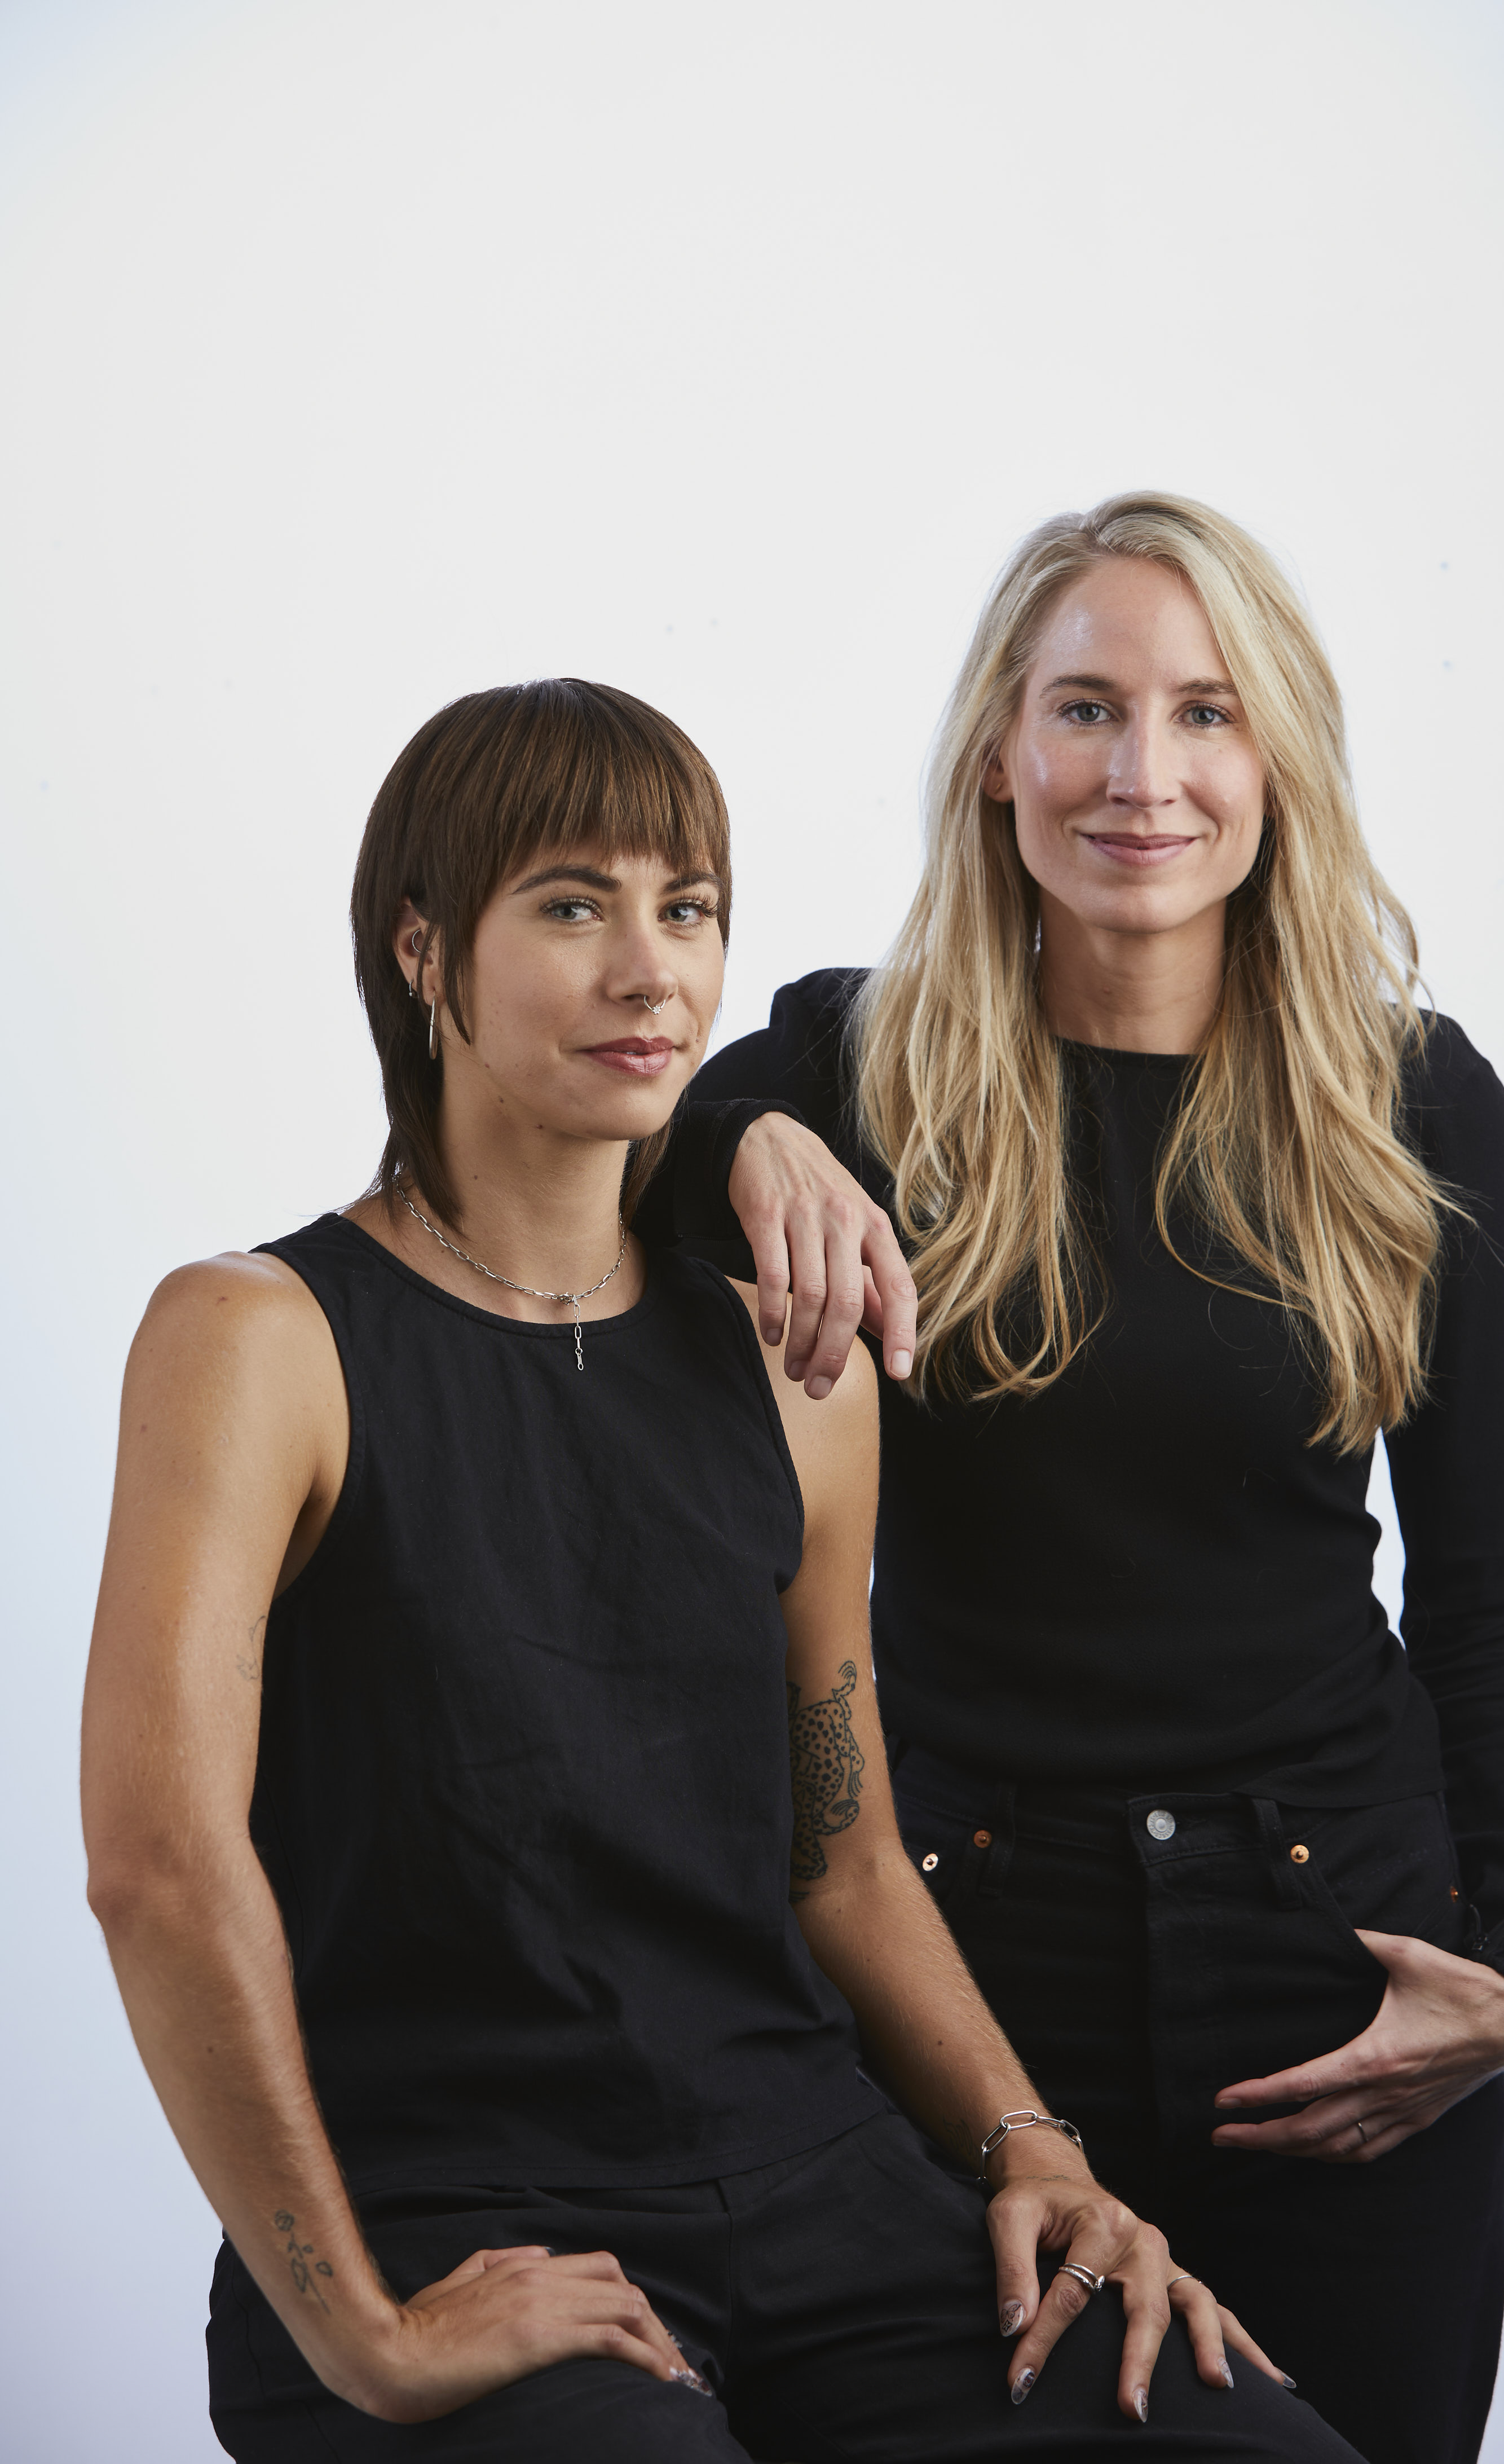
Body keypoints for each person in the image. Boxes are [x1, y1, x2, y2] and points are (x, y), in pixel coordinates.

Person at [80, 679, 1361, 2464]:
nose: (649, 972)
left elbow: (845, 1861)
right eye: (571, 906)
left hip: (828, 2191)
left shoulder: (794, 1374)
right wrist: (360, 2328)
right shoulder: (258, 1339)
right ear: (424, 952)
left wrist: (1038, 2154)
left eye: (685, 910)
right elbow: (159, 1870)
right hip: (464, 2209)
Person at [642, 496, 1504, 2464]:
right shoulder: (859, 1069)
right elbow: (635, 1146)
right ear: (1001, 754)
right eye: (1085, 708)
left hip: (1339, 1971)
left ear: (1278, 759)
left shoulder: (1416, 1104)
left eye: (1205, 713)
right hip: (971, 1979)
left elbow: (1476, 1590)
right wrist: (743, 1141)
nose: (1142, 774)